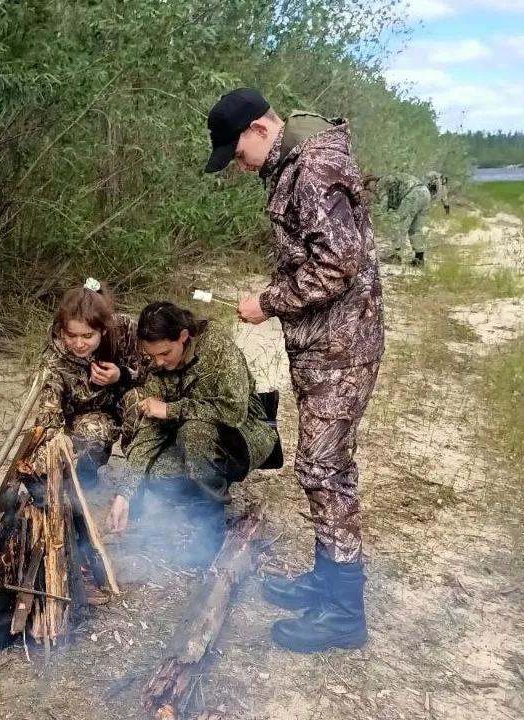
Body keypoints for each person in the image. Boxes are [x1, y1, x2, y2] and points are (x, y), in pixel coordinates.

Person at [204, 87, 384, 653]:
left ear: (259, 129)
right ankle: (326, 581)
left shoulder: (312, 168)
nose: (238, 163)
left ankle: (342, 613)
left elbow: (339, 265)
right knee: (324, 466)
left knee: (323, 470)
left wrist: (270, 302)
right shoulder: (296, 163)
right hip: (325, 343)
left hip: (341, 347)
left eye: (237, 152)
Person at [105, 303, 278, 563]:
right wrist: (124, 493)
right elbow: (150, 431)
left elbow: (234, 411)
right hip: (199, 438)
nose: (159, 362)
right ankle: (205, 484)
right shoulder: (157, 364)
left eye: (165, 353)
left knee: (193, 432)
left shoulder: (216, 346)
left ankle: (210, 525)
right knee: (156, 474)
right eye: (152, 356)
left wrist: (172, 410)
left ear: (184, 336)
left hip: (246, 433)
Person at [26, 279, 142, 487]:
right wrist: (46, 457)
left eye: (87, 336)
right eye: (71, 335)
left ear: (103, 331)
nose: (78, 344)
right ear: (62, 331)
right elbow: (48, 412)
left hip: (126, 404)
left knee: (142, 402)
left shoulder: (126, 331)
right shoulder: (54, 359)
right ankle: (87, 475)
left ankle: (139, 477)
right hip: (86, 418)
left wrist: (122, 376)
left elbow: (157, 372)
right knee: (93, 432)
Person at [369, 172, 432, 266]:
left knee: (398, 225)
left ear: (372, 182)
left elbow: (383, 206)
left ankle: (395, 256)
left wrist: (372, 211)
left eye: (367, 187)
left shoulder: (381, 184)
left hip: (413, 194)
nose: (370, 190)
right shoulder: (389, 179)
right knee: (415, 229)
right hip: (425, 193)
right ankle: (419, 258)